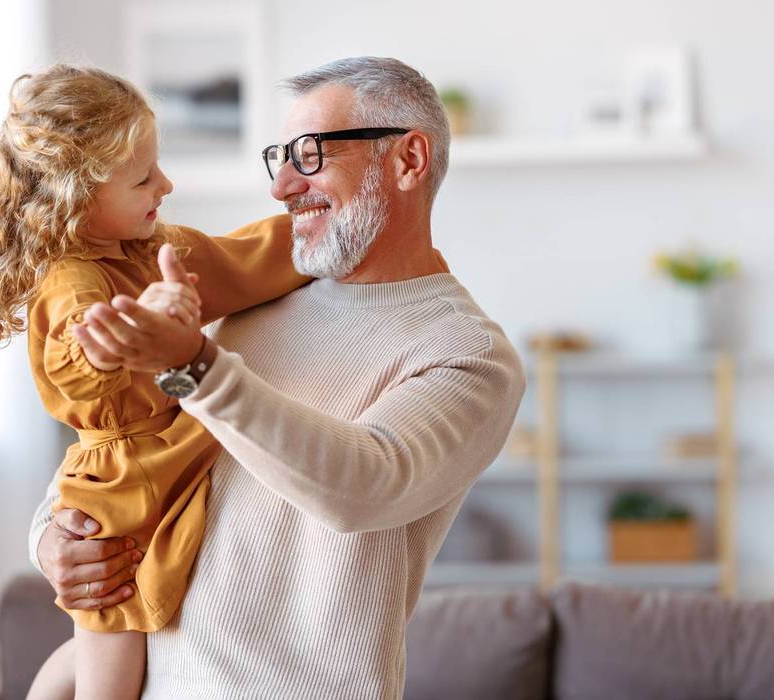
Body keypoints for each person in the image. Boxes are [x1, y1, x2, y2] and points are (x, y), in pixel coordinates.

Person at [29, 56, 527, 697]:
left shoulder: (467, 354)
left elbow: (362, 486)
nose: (283, 186)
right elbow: (128, 445)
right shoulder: (245, 304)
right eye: (280, 157)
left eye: (312, 154)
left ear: (408, 161)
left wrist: (192, 363)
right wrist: (52, 539)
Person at [0, 64, 308, 699]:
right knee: (111, 656)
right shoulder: (73, 280)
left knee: (100, 657)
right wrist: (139, 329)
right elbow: (80, 363)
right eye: (143, 178)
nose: (165, 184)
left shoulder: (154, 250)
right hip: (119, 489)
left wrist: (320, 231)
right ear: (77, 197)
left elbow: (242, 260)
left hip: (169, 449)